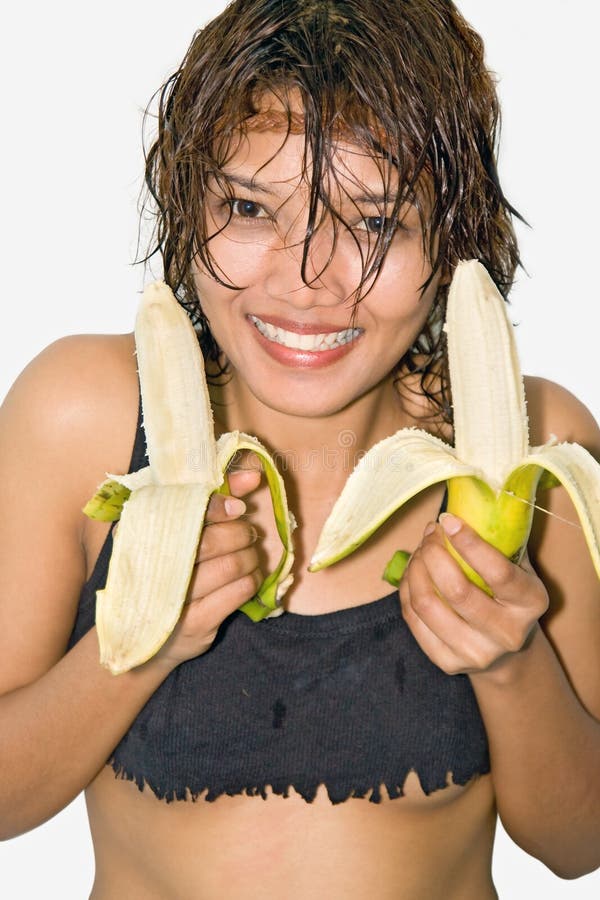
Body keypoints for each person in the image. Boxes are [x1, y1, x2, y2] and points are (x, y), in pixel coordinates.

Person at [1, 1, 599, 897]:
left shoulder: (530, 445)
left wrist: (513, 665)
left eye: (372, 222)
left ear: (451, 240)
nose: (307, 279)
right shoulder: (80, 417)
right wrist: (142, 642)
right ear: (185, 208)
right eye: (249, 207)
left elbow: (577, 843)